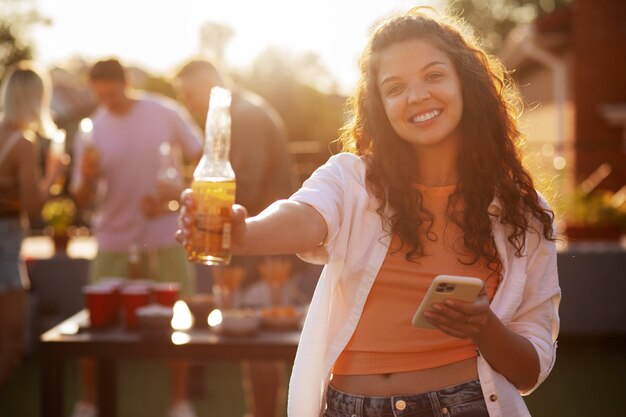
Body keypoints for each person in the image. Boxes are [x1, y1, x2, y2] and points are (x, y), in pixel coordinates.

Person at [178, 7, 561, 417]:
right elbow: (305, 216)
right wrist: (244, 234)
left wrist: (484, 328)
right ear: (379, 105)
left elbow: (529, 368)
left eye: (433, 75)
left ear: (466, 83)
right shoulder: (352, 178)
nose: (416, 96)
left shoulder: (524, 213)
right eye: (395, 88)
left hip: (466, 405)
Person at [70, 58, 203, 417]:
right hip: (113, 237)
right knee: (95, 323)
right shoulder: (91, 129)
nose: (107, 101)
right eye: (100, 95)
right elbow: (80, 198)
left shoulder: (164, 112)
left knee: (178, 318)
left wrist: (176, 196)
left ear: (126, 83)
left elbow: (205, 159)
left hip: (164, 234)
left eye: (112, 93)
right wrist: (86, 177)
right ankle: (89, 402)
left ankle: (180, 402)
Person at [175, 59, 296, 417]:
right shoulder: (236, 116)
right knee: (253, 346)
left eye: (190, 94)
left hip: (266, 251)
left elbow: (247, 186)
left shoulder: (245, 117)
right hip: (254, 248)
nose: (188, 104)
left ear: (210, 84)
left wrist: (192, 199)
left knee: (260, 346)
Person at [0, 61, 65, 390]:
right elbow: (34, 206)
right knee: (11, 336)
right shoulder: (22, 144)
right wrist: (53, 173)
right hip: (5, 243)